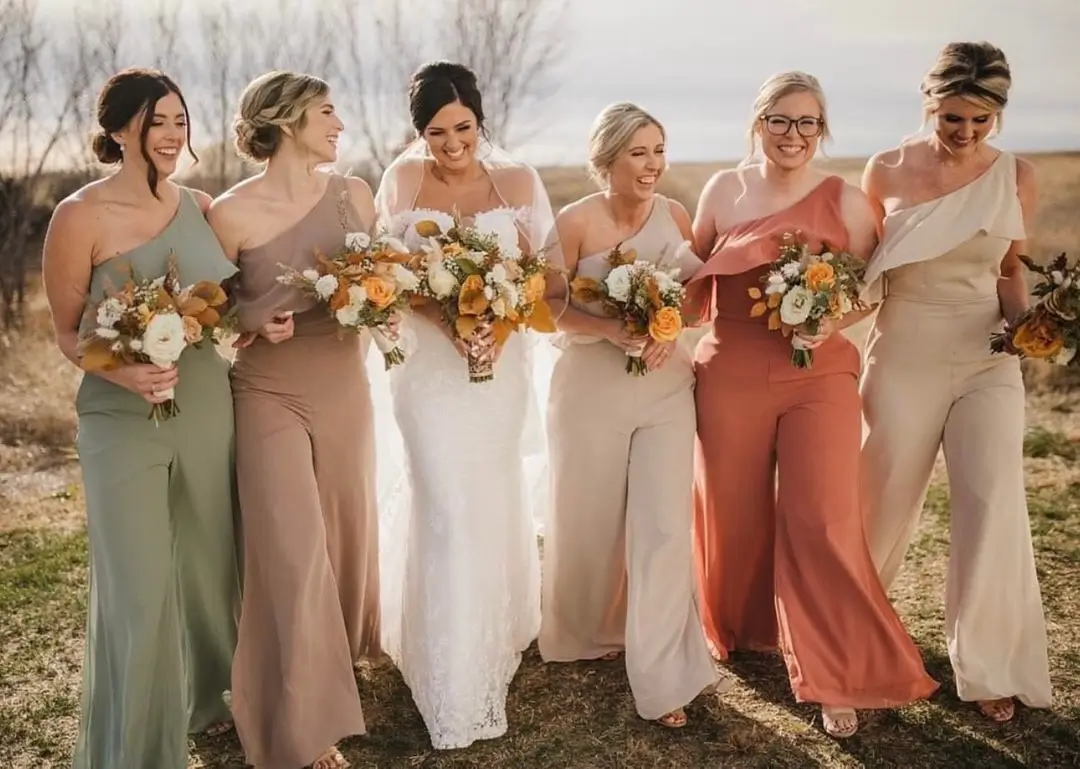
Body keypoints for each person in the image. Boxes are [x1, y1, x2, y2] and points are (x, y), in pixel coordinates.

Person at [688, 71, 938, 738]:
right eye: (779, 120)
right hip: (731, 368)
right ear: (757, 123)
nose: (792, 135)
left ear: (822, 129)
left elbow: (869, 289)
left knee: (822, 516)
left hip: (818, 375)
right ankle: (743, 627)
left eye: (806, 122)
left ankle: (838, 668)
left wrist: (831, 321)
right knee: (731, 509)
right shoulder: (722, 189)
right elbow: (689, 272)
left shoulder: (849, 201)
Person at [42, 67, 238, 769]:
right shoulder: (78, 216)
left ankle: (215, 704)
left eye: (181, 120)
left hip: (208, 406)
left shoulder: (204, 204)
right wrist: (123, 369)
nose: (173, 134)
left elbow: (222, 310)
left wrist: (253, 327)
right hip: (118, 417)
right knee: (140, 580)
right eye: (158, 121)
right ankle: (140, 750)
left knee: (213, 563)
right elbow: (68, 332)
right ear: (122, 128)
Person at [859, 41, 1052, 722]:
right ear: (928, 101)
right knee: (880, 499)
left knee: (991, 499)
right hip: (905, 348)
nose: (965, 133)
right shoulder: (883, 170)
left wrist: (1032, 326)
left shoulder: (1019, 175)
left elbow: (1009, 269)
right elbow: (865, 275)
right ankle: (852, 641)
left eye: (981, 120)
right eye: (952, 119)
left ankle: (989, 659)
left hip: (986, 355)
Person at [372, 60, 560, 750]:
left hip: (496, 371)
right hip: (426, 374)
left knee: (488, 493)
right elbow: (384, 276)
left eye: (464, 128)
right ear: (418, 132)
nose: (452, 145)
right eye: (436, 132)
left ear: (481, 121)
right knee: (444, 503)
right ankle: (449, 668)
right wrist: (446, 315)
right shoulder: (402, 181)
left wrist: (500, 321)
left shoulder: (518, 183)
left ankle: (500, 624)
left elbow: (549, 277)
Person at [207, 70, 382, 769]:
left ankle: (329, 667)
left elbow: (379, 280)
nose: (339, 124)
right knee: (290, 551)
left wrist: (379, 302)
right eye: (327, 111)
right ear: (284, 121)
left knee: (341, 538)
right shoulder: (229, 214)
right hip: (266, 393)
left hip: (344, 385)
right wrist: (251, 319)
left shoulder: (355, 195)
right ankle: (303, 724)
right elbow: (206, 314)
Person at [538, 102, 722, 728]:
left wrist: (672, 325)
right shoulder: (573, 222)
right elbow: (550, 307)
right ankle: (581, 632)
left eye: (659, 150)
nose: (653, 165)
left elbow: (698, 295)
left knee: (666, 525)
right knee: (586, 520)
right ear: (607, 160)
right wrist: (612, 328)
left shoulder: (674, 213)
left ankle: (664, 672)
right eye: (639, 152)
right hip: (591, 387)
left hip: (668, 388)